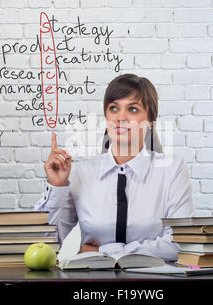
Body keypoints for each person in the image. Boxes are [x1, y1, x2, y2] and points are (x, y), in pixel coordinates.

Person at [34, 73, 194, 261]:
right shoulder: (81, 173)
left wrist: (104, 252)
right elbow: (44, 244)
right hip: (92, 283)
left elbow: (180, 244)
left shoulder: (172, 169)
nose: (121, 117)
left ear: (151, 119)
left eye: (133, 109)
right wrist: (57, 187)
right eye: (113, 108)